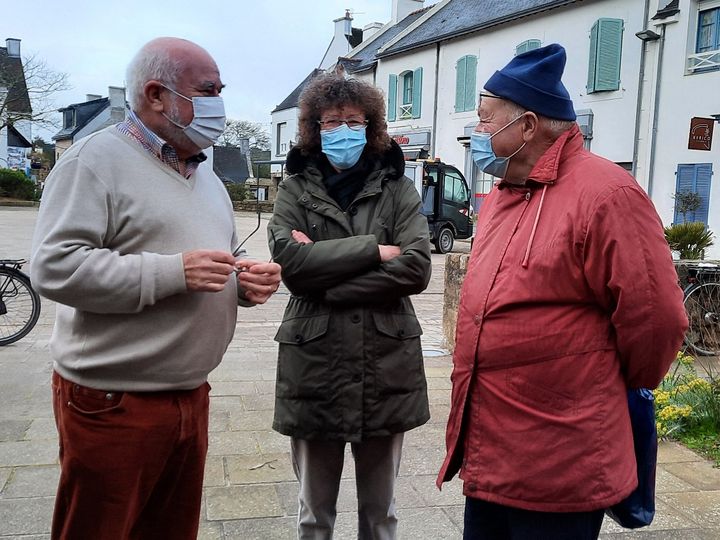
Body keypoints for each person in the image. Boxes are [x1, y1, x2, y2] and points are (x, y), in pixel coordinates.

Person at [30, 37, 281, 540]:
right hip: (113, 401)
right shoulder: (92, 161)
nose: (219, 103)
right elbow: (53, 267)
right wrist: (172, 273)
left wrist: (241, 282)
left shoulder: (205, 175)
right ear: (156, 94)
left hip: (190, 395)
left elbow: (210, 262)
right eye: (207, 90)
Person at [436, 44, 689, 540]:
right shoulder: (507, 192)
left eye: (486, 120)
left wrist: (604, 386)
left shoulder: (606, 193)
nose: (477, 133)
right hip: (491, 449)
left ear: (528, 126)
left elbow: (658, 320)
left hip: (561, 455)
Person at [267, 73, 432, 539]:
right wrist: (375, 251)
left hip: (386, 363)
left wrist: (330, 285)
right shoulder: (295, 189)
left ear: (371, 125)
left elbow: (417, 268)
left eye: (353, 121)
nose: (343, 130)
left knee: (380, 515)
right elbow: (293, 266)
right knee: (314, 514)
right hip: (314, 363)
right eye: (332, 121)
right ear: (314, 128)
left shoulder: (398, 188)